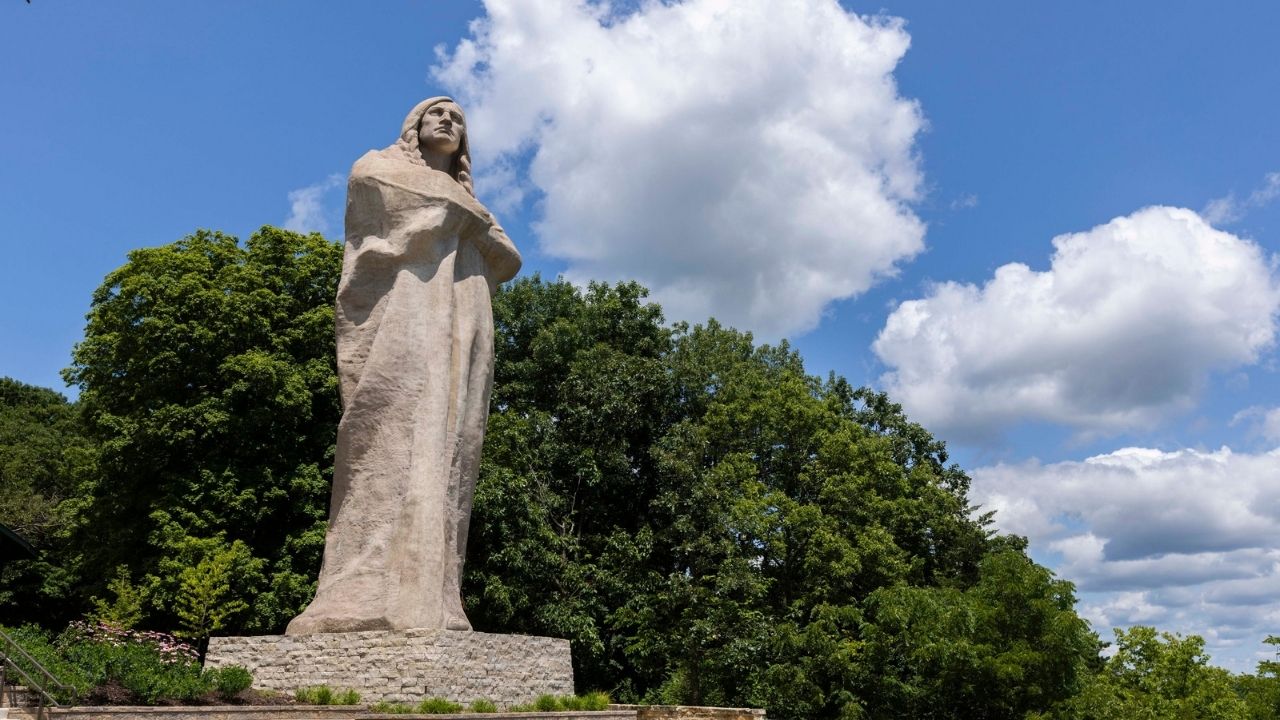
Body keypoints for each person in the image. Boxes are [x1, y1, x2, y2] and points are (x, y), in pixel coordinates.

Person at [287, 97, 521, 634]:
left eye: (458, 119)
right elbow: (379, 205)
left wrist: (465, 218)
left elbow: (508, 259)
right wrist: (458, 218)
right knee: (394, 437)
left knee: (450, 456)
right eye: (436, 114)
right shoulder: (381, 166)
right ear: (413, 126)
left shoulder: (468, 198)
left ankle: (434, 598)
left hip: (462, 324)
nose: (447, 121)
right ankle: (360, 593)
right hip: (408, 313)